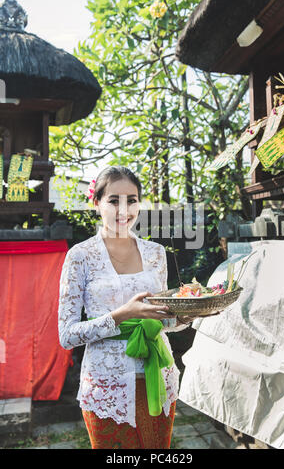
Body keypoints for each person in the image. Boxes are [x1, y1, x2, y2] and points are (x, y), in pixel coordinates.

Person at [58, 165, 192, 449]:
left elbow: (162, 320)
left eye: (131, 200)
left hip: (159, 374)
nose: (124, 209)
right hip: (107, 383)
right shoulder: (79, 256)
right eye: (113, 200)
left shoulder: (156, 253)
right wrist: (122, 315)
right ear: (96, 203)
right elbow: (67, 335)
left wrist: (187, 316)